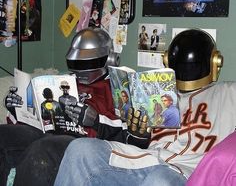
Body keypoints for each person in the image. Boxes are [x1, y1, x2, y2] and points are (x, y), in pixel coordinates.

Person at [54, 29, 236, 186]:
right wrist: (139, 136)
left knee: (159, 180)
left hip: (187, 170)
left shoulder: (229, 93)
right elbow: (132, 141)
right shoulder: (153, 92)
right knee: (80, 149)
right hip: (145, 159)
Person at [1, 27, 135, 186]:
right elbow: (36, 117)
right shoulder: (63, 82)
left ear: (110, 59)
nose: (82, 70)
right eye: (76, 63)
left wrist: (96, 120)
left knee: (43, 151)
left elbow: (127, 132)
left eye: (90, 62)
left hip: (81, 142)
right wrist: (16, 110)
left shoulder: (118, 88)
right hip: (46, 132)